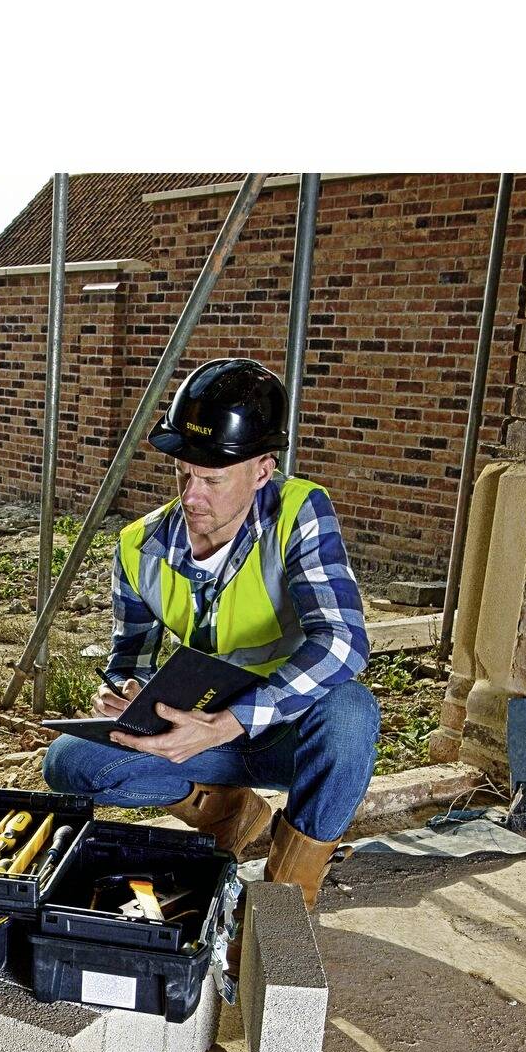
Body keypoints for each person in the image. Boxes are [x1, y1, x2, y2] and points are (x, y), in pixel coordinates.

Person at [42, 357, 379, 909]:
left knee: (351, 713)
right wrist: (124, 694)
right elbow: (132, 656)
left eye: (213, 479)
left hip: (286, 733)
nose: (192, 496)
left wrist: (229, 724)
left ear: (263, 469)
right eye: (183, 474)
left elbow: (342, 642)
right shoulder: (139, 547)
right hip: (197, 733)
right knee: (71, 762)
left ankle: (286, 902)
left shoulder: (300, 512)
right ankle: (230, 814)